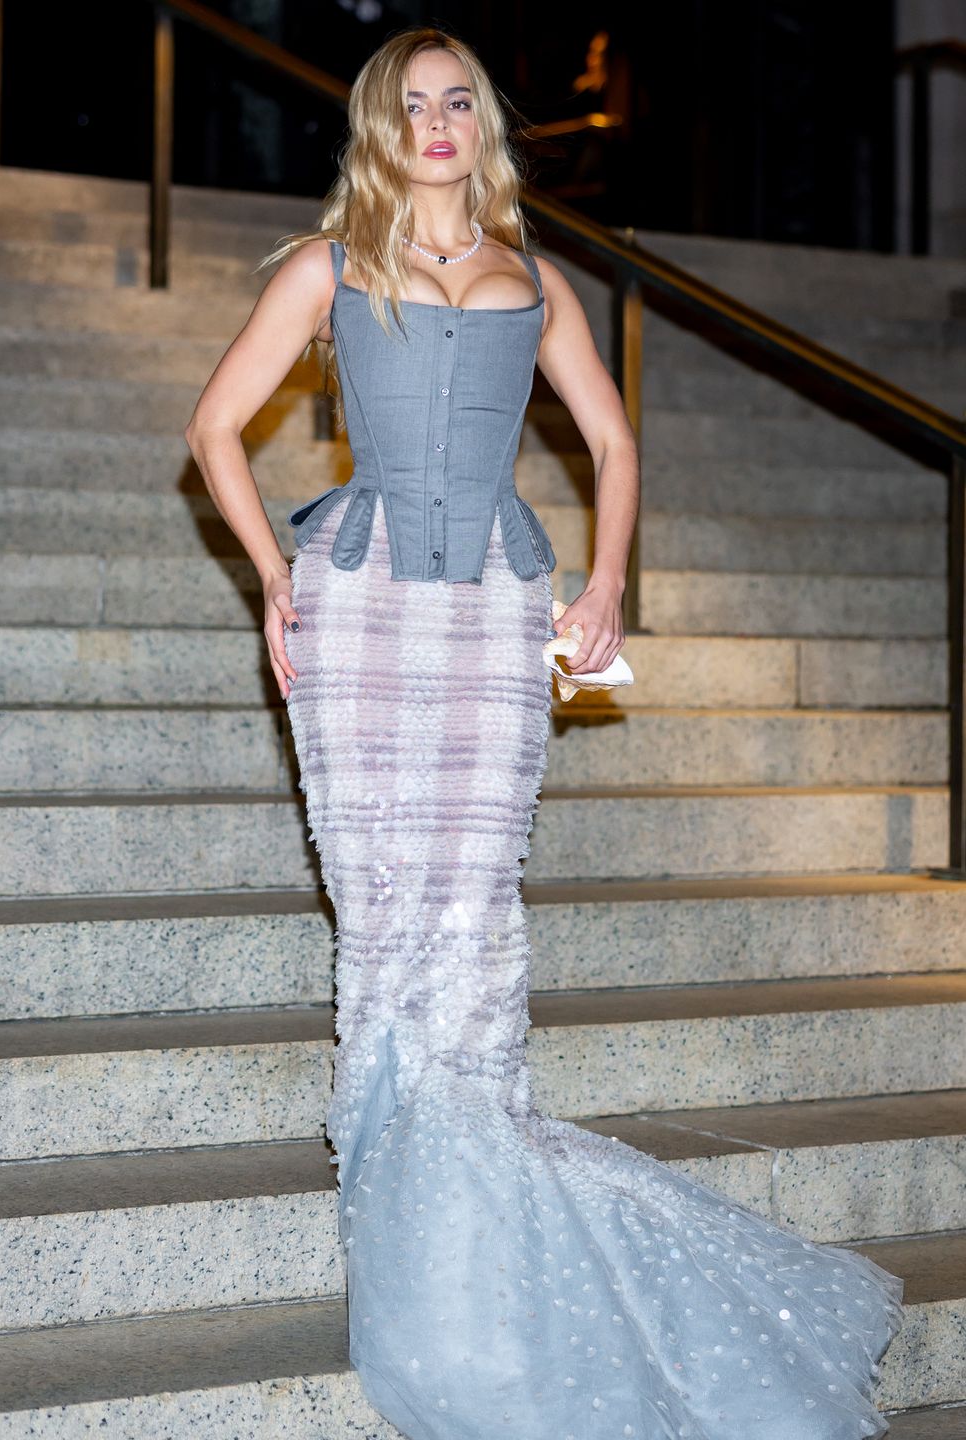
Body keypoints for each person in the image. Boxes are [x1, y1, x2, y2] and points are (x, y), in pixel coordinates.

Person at [183, 26, 905, 1440]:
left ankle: (475, 1186)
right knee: (385, 910)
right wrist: (276, 583)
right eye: (414, 105)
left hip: (499, 614)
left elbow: (615, 443)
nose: (439, 124)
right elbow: (214, 429)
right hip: (364, 606)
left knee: (473, 904)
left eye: (461, 103)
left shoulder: (538, 279)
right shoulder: (330, 267)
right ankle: (402, 1209)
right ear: (384, 129)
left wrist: (612, 574)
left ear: (485, 126)